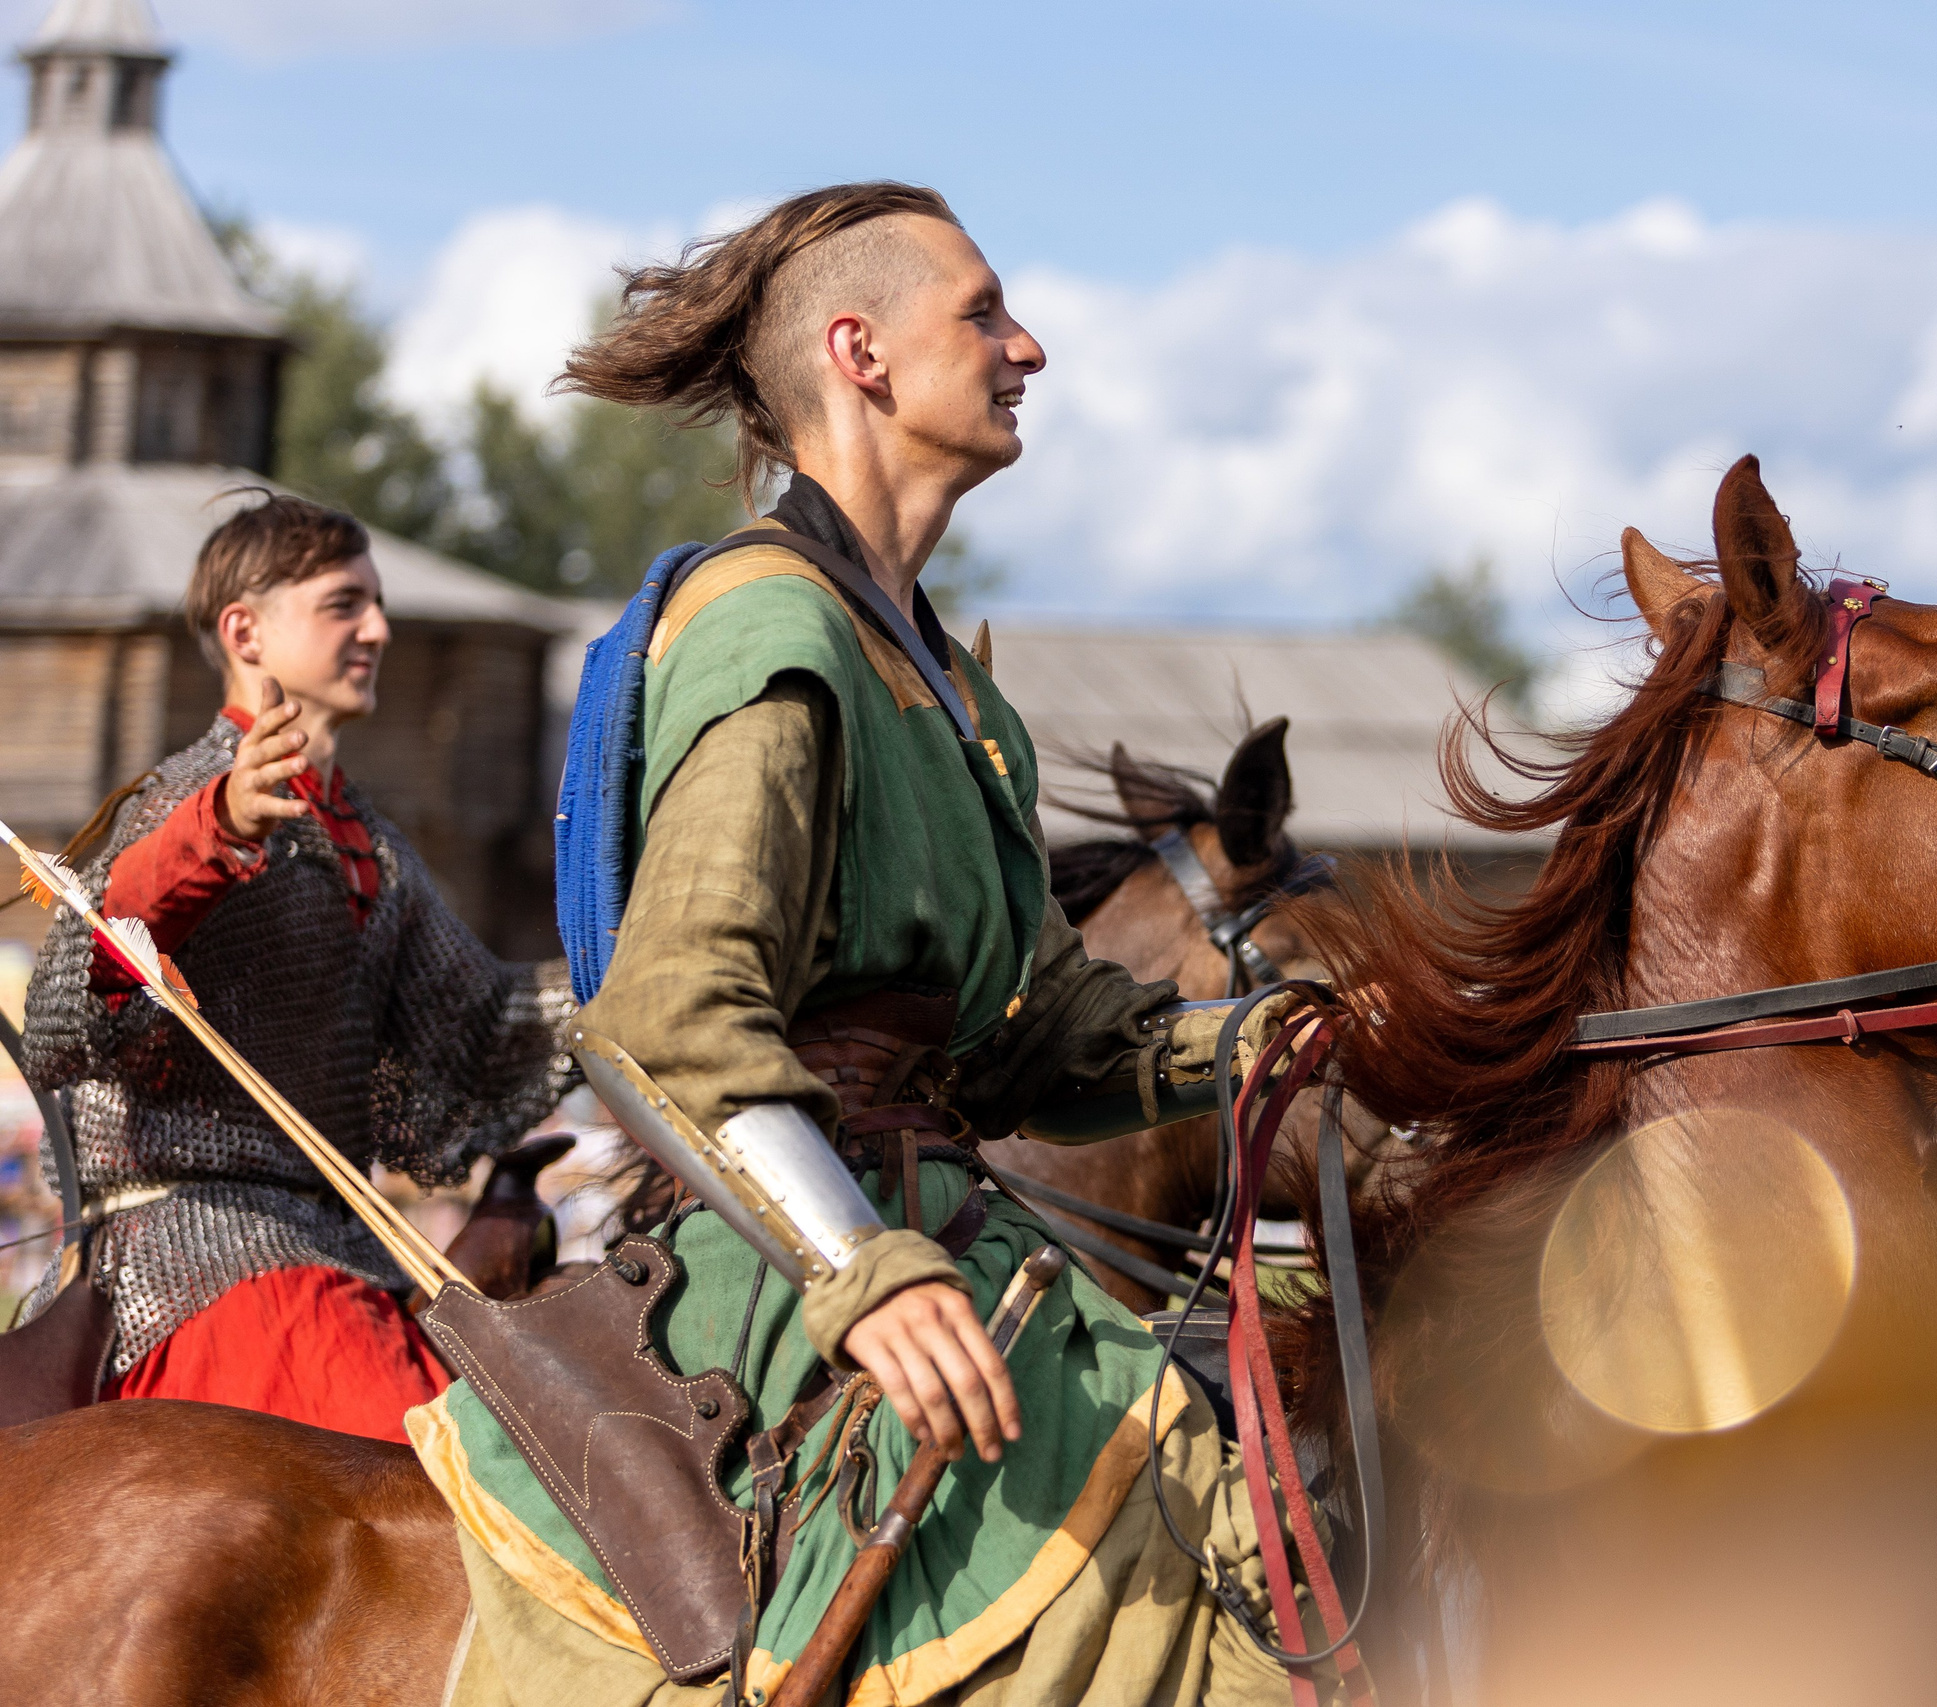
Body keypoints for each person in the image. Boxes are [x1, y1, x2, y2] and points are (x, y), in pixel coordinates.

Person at [415, 184, 1312, 1707]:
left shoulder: (947, 679)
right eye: (983, 313)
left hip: (961, 1219)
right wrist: (866, 1275)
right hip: (792, 1260)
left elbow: (1042, 1031)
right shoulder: (779, 628)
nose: (1027, 344)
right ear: (861, 350)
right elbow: (670, 1018)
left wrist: (1263, 1038)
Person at [16, 492, 570, 1441]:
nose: (380, 628)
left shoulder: (372, 842)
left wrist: (644, 972)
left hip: (337, 1258)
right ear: (246, 630)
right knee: (441, 1471)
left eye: (376, 603)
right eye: (342, 603)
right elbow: (80, 978)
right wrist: (216, 828)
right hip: (202, 1269)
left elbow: (488, 1026)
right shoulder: (187, 795)